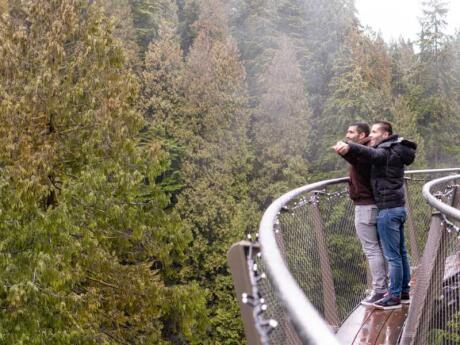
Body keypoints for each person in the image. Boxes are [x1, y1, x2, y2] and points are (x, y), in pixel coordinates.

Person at [333, 121, 417, 310]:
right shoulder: (396, 150)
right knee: (400, 252)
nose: (371, 136)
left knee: (391, 255)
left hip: (387, 209)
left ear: (386, 134)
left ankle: (392, 295)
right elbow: (368, 155)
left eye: (374, 132)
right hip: (397, 207)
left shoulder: (385, 152)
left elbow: (370, 154)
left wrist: (350, 146)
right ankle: (402, 291)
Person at [340, 122, 387, 306]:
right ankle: (391, 286)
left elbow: (357, 161)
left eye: (351, 132)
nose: (348, 134)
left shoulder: (363, 152)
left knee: (372, 250)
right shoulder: (370, 151)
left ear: (362, 135)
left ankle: (380, 290)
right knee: (382, 248)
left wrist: (345, 150)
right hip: (375, 205)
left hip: (365, 206)